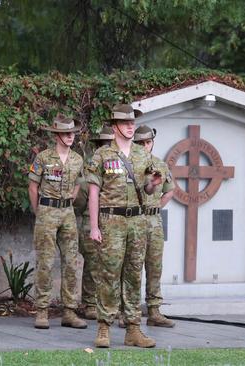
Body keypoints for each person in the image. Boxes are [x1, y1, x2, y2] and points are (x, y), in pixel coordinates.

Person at [85, 104, 161, 348]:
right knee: (109, 273)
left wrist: (153, 183)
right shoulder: (102, 156)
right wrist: (94, 226)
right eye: (125, 123)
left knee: (133, 274)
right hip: (112, 221)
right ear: (115, 126)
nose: (130, 126)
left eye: (132, 123)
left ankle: (133, 329)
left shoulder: (143, 155)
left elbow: (148, 190)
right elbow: (93, 193)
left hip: (137, 221)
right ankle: (104, 327)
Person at [28, 114, 86, 330]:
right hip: (47, 210)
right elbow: (32, 187)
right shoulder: (43, 158)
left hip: (67, 213)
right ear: (57, 135)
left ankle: (69, 311)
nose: (71, 136)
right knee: (45, 262)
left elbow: (80, 181)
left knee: (71, 261)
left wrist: (73, 193)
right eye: (66, 133)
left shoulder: (77, 159)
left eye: (72, 133)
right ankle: (42, 311)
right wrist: (39, 211)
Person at [133, 125, 175, 328]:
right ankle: (129, 312)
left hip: (154, 221)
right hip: (135, 219)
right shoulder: (130, 165)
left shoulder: (160, 165)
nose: (144, 146)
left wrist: (156, 206)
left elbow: (169, 191)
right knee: (132, 266)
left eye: (147, 142)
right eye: (140, 143)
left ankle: (154, 310)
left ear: (152, 143)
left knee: (154, 265)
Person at [74, 125, 114, 321]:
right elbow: (79, 203)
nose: (105, 147)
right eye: (102, 144)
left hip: (114, 222)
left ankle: (110, 303)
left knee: (113, 266)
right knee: (92, 265)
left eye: (109, 144)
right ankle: (90, 303)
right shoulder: (89, 174)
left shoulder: (119, 171)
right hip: (91, 223)